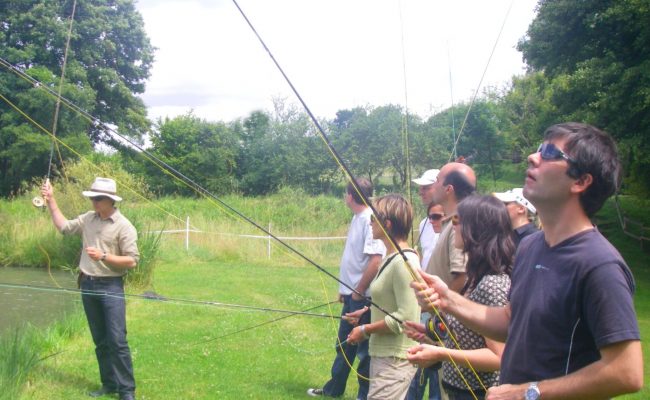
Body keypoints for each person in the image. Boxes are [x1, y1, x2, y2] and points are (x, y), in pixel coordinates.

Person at [411, 123, 643, 399]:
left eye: (549, 153)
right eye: (537, 150)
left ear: (580, 182)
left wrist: (528, 393)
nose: (533, 157)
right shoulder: (531, 246)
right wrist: (448, 299)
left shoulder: (599, 264)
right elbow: (511, 320)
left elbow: (625, 371)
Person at [407, 195, 514, 399]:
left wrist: (440, 354)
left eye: (456, 220)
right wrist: (430, 335)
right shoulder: (475, 277)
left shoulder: (492, 283)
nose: (451, 225)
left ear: (476, 227)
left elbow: (499, 357)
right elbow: (472, 338)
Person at [41, 177, 139, 400]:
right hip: (87, 284)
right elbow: (64, 227)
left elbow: (132, 261)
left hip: (111, 286)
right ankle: (109, 384)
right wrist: (51, 200)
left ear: (110, 201)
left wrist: (104, 256)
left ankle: (127, 391)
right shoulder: (88, 219)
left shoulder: (124, 226)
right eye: (92, 197)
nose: (94, 201)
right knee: (100, 340)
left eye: (98, 198)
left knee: (117, 340)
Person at [308, 178, 386, 399]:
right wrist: (346, 290)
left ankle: (365, 395)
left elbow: (375, 260)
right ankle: (334, 389)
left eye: (346, 193)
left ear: (350, 196)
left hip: (364, 298)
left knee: (363, 351)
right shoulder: (357, 218)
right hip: (353, 295)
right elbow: (356, 259)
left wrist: (359, 290)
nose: (345, 197)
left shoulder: (369, 220)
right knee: (344, 344)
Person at [345, 194, 421, 400]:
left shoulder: (404, 263)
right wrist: (367, 313)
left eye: (373, 219)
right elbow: (391, 302)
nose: (370, 223)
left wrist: (364, 329)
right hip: (383, 355)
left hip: (396, 358)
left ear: (386, 224)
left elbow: (405, 318)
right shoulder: (391, 257)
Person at [405, 200, 445, 400]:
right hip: (428, 303)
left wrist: (443, 302)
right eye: (430, 217)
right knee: (420, 360)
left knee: (439, 369)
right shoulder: (425, 226)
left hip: (443, 309)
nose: (433, 221)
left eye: (437, 217)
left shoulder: (451, 236)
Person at [424, 162, 476, 292]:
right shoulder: (452, 221)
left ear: (448, 189)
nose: (433, 186)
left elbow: (462, 276)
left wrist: (443, 309)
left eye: (437, 181)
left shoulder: (459, 223)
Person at [412, 169, 442, 269]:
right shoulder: (423, 224)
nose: (420, 192)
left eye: (425, 188)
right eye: (420, 188)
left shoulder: (454, 221)